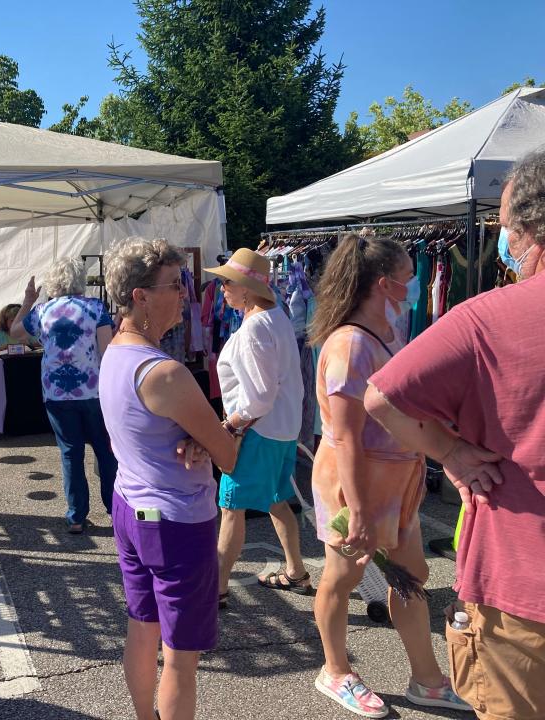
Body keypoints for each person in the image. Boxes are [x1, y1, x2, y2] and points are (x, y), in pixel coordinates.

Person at [365, 149, 545, 720]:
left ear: (525, 229)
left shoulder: (487, 318)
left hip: (520, 584)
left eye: (505, 227)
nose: (504, 242)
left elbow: (382, 397)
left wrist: (451, 452)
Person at [308, 234, 469, 718]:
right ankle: (335, 671)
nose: (414, 286)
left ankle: (427, 678)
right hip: (354, 484)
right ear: (384, 284)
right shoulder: (352, 345)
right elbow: (348, 437)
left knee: (411, 578)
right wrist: (356, 510)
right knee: (342, 576)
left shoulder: (386, 333)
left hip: (396, 483)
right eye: (407, 278)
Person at [100, 237, 237, 720]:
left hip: (130, 507)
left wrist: (202, 436)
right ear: (140, 295)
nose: (185, 294)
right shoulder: (165, 373)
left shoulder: (113, 351)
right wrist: (219, 432)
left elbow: (165, 430)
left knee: (142, 627)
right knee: (180, 658)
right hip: (176, 521)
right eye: (175, 285)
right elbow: (231, 456)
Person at [205, 249, 308, 607]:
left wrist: (229, 426)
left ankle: (216, 589)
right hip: (282, 427)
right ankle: (296, 571)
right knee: (277, 500)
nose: (222, 290)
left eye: (227, 283)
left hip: (257, 431)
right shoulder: (275, 315)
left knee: (231, 507)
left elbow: (259, 397)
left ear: (247, 288)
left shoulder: (255, 327)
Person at [10, 257, 117, 534]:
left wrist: (28, 300)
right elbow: (107, 351)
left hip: (56, 392)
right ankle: (115, 510)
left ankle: (76, 516)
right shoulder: (96, 307)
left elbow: (14, 332)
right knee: (106, 452)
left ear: (54, 281)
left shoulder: (43, 311)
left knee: (71, 454)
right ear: (80, 278)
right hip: (93, 390)